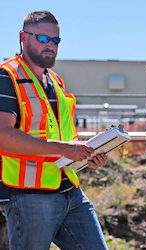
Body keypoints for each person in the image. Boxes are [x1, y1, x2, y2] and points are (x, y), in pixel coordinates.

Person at [0, 10, 108, 250]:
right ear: (23, 37)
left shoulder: (56, 82)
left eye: (55, 40)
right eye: (42, 39)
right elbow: (3, 136)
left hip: (70, 192)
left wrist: (86, 154)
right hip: (29, 197)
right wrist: (64, 148)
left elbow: (64, 138)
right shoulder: (6, 76)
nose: (50, 46)